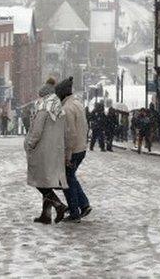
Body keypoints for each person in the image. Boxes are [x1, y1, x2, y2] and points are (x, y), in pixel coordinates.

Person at [25, 77, 70, 224]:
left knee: (40, 182)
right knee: (46, 183)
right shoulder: (59, 108)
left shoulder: (43, 108)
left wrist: (29, 144)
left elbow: (37, 131)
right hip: (55, 151)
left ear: (43, 95)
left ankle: (59, 205)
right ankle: (46, 214)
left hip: (42, 151)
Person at [60, 79, 91, 222]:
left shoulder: (66, 109)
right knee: (70, 177)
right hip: (81, 148)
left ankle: (74, 212)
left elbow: (70, 134)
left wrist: (67, 156)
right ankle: (83, 205)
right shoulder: (77, 104)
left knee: (66, 179)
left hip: (73, 150)